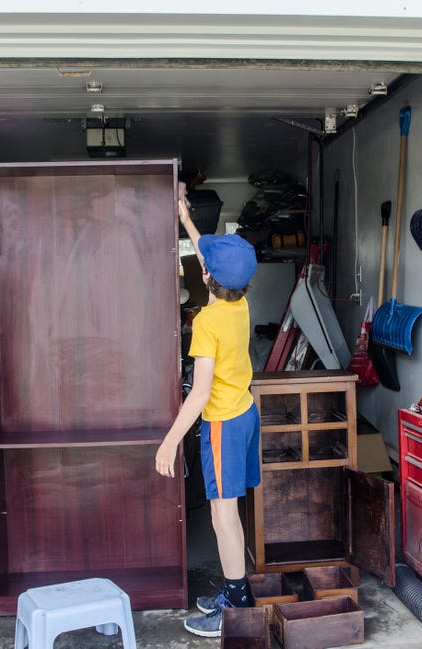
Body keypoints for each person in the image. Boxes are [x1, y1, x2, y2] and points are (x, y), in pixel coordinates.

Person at [155, 181, 260, 638]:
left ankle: (236, 604)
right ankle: (236, 589)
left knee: (223, 516)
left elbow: (198, 394)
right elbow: (209, 258)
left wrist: (168, 443)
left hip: (221, 424)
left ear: (206, 278)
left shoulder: (205, 322)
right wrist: (186, 220)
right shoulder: (239, 304)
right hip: (245, 413)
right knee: (228, 513)